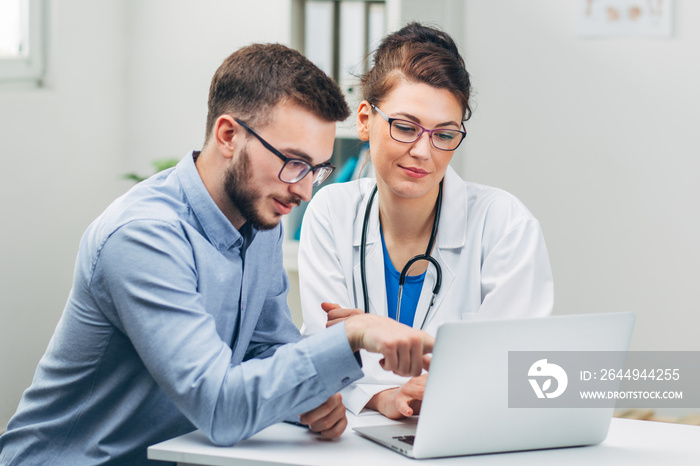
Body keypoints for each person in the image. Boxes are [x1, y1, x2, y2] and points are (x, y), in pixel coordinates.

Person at [0, 44, 434, 465]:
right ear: (228, 135)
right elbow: (220, 408)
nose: (303, 190)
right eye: (294, 162)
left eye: (316, 170)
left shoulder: (260, 216)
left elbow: (265, 350)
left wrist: (307, 398)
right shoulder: (143, 237)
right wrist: (350, 336)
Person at [299, 23, 554, 419]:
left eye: (444, 134)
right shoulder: (331, 212)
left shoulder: (505, 225)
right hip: (352, 440)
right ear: (365, 120)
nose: (422, 151)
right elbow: (322, 353)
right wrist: (382, 397)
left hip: (466, 433)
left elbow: (519, 364)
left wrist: (449, 384)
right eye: (405, 127)